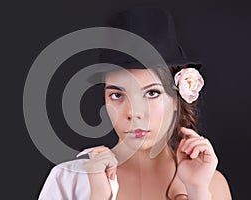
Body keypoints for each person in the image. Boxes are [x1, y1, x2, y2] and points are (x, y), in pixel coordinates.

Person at [38, 6, 232, 200]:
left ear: (177, 100)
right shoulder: (68, 179)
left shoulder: (208, 184)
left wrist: (198, 190)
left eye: (152, 93)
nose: (133, 112)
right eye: (117, 95)